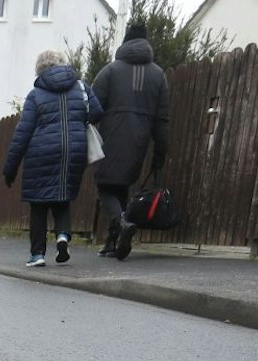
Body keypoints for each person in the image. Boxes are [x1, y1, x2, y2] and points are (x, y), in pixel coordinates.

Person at [3, 50, 101, 268]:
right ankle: (63, 236)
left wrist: (10, 169)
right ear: (62, 64)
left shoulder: (35, 95)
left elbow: (22, 134)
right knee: (62, 197)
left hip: (41, 152)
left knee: (38, 205)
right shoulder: (81, 87)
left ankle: (37, 254)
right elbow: (97, 112)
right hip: (74, 150)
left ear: (39, 69)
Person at [92, 19, 172, 261]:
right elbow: (162, 119)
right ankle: (111, 242)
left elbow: (93, 107)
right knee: (122, 187)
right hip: (140, 140)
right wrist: (160, 151)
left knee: (105, 187)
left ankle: (122, 223)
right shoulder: (159, 76)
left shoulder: (110, 71)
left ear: (125, 41)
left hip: (110, 136)